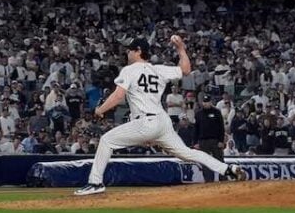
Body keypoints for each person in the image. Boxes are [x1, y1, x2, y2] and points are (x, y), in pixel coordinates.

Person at [75, 36, 247, 196]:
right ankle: (228, 169)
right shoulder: (158, 70)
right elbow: (186, 70)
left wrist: (100, 110)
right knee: (187, 153)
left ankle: (95, 182)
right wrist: (181, 49)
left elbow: (118, 96)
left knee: (106, 140)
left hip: (146, 121)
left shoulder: (129, 70)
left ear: (138, 51)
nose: (127, 53)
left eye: (130, 50)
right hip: (162, 122)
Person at [194, 89, 226, 162]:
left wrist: (221, 141)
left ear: (210, 102)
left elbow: (221, 127)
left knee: (220, 161)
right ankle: (207, 174)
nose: (205, 103)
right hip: (203, 141)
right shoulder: (199, 114)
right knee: (205, 163)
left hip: (215, 141)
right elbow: (196, 129)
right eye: (204, 102)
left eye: (207, 102)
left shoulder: (216, 112)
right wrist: (195, 142)